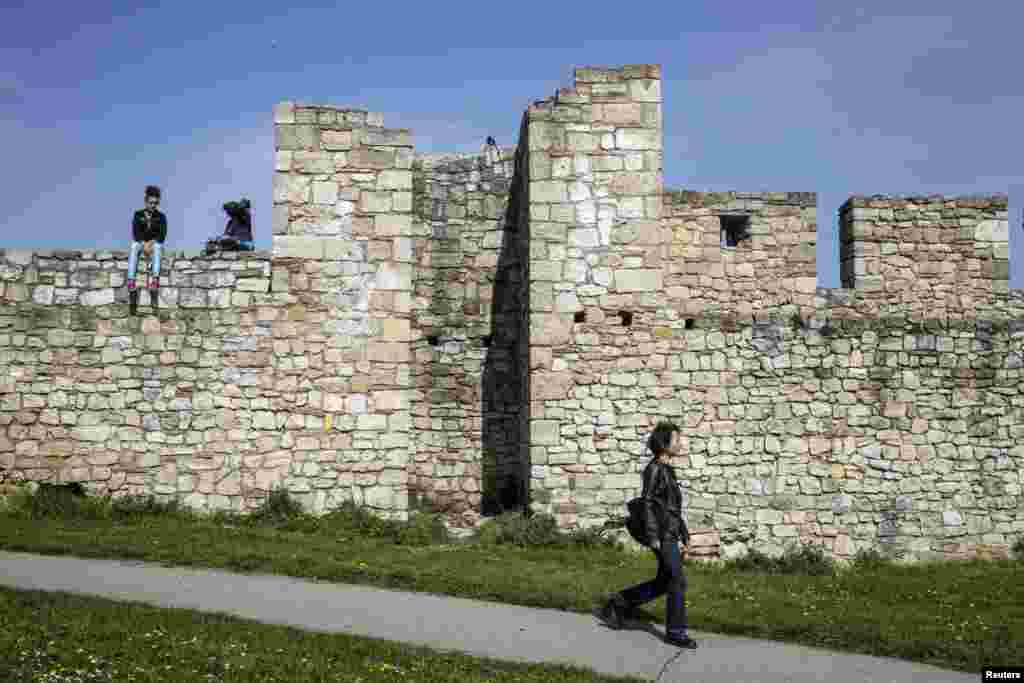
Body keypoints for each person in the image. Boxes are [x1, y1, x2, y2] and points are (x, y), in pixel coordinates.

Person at [601, 421, 697, 649]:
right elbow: (647, 504)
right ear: (664, 444)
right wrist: (654, 537)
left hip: (670, 533)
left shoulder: (668, 470)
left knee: (665, 581)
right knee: (677, 580)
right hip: (662, 535)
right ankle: (676, 632)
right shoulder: (654, 469)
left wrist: (685, 534)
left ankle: (620, 601)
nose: (680, 444)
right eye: (676, 440)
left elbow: (672, 508)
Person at [128, 185, 167, 315]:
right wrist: (143, 243)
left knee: (158, 247)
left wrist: (151, 242)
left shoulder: (161, 217)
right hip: (141, 242)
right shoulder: (138, 214)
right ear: (146, 202)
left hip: (154, 243)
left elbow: (162, 235)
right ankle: (131, 281)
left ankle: (154, 280)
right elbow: (135, 232)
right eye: (151, 203)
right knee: (134, 246)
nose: (153, 205)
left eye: (155, 203)